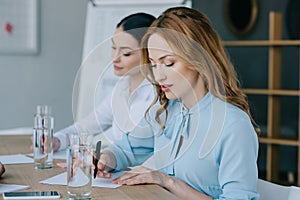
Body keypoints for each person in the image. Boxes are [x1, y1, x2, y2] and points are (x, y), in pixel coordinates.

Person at [95, 7, 259, 200]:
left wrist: (167, 181)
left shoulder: (233, 125)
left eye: (169, 63)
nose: (158, 75)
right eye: (154, 64)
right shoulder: (165, 111)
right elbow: (125, 150)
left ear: (198, 58)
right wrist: (104, 159)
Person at [30, 13, 156, 161]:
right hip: (115, 170)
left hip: (142, 175)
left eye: (126, 53)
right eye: (113, 48)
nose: (114, 58)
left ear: (149, 54)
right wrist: (57, 140)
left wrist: (106, 158)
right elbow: (86, 126)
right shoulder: (121, 88)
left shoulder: (159, 94)